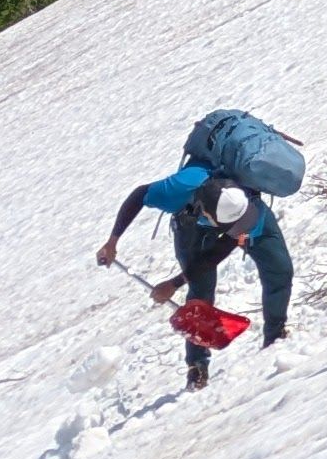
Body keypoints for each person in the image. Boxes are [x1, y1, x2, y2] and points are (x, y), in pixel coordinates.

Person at [94, 123, 299, 386]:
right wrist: (112, 241)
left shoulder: (247, 208)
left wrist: (174, 282)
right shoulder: (178, 190)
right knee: (201, 293)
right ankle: (196, 365)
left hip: (226, 214)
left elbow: (223, 246)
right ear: (205, 211)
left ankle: (275, 336)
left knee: (279, 269)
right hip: (190, 226)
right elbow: (139, 195)